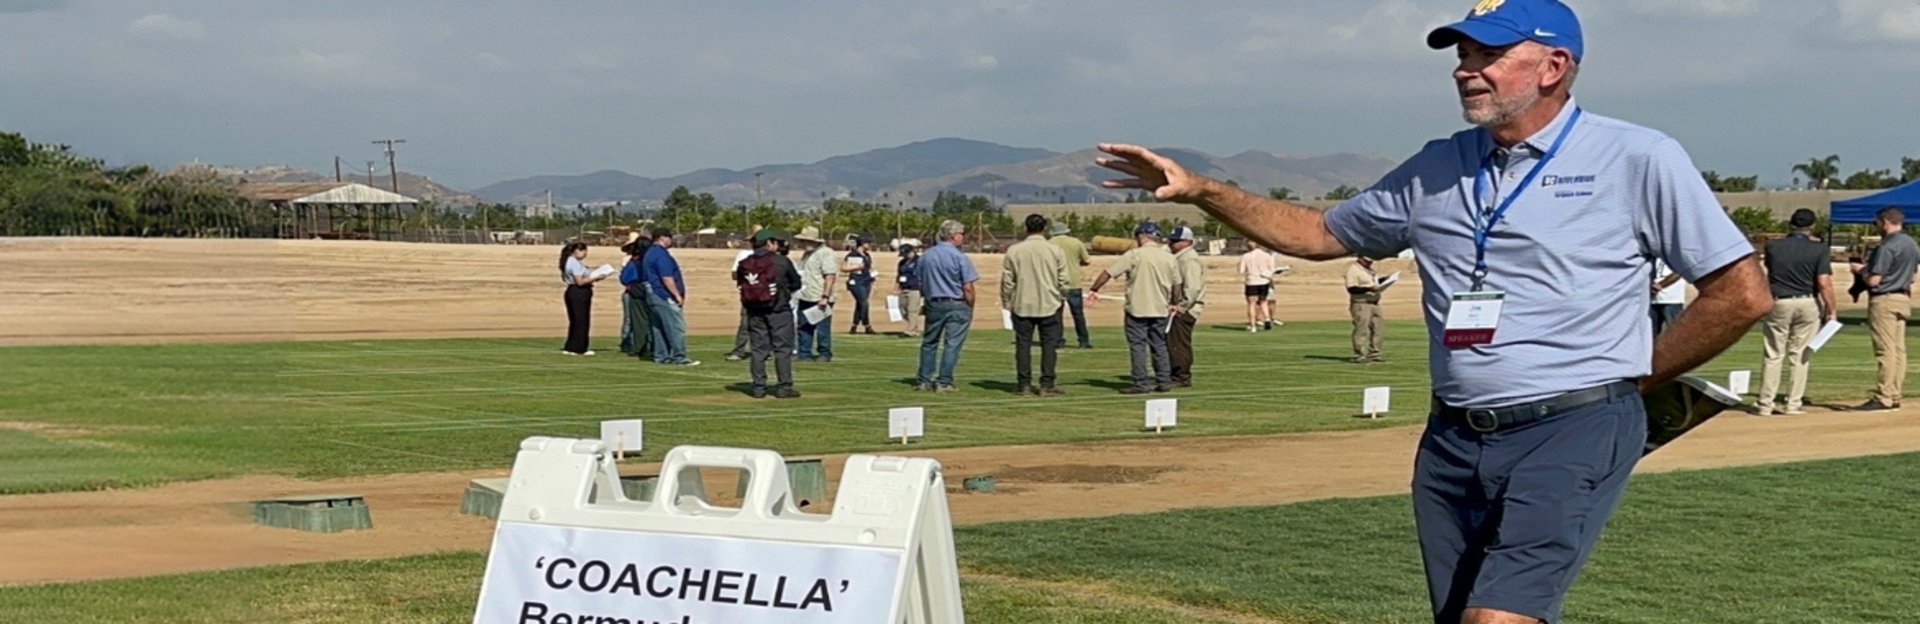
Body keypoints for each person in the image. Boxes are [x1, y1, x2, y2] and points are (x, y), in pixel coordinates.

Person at [1093, 1, 1772, 621]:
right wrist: (1203, 190)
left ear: (1554, 67)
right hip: (1452, 439)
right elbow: (1318, 233)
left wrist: (1632, 381)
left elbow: (1741, 293)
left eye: (1487, 55)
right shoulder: (1436, 166)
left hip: (1572, 426)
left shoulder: (1637, 157)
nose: (1465, 71)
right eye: (1462, 55)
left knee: (1497, 618)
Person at [1756, 209, 1837, 417]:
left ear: (1791, 224)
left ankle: (1766, 403)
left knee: (1774, 354)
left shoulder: (1774, 246)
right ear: (1812, 227)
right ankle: (1793, 403)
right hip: (1807, 300)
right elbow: (1824, 282)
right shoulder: (1819, 249)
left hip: (1779, 300)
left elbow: (1769, 269)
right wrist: (1831, 310)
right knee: (1800, 355)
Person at [1088, 222, 1183, 395]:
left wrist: (1094, 289)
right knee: (1159, 346)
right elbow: (1177, 284)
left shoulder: (1134, 255)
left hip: (1137, 309)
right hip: (1160, 308)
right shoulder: (1169, 257)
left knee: (1138, 347)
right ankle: (1164, 381)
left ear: (1142, 236)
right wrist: (1174, 303)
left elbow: (1108, 272)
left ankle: (1140, 383)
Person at [1855, 206, 1919, 412]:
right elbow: (1912, 275)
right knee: (1899, 349)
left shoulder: (1887, 247)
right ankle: (1894, 393)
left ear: (1885, 221)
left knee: (1885, 349)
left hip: (1884, 298)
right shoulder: (1912, 245)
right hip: (1903, 296)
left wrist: (1861, 271)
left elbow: (1874, 280)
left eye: (1877, 223)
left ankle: (1884, 396)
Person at [1002, 214, 1072, 396]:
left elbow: (1008, 280)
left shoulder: (1014, 250)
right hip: (1050, 303)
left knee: (1023, 345)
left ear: (1026, 228)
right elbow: (1064, 278)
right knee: (1049, 345)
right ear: (1045, 228)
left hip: (1022, 303)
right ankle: (1046, 384)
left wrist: (1006, 300)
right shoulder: (1054, 250)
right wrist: (1062, 296)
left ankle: (1024, 384)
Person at [735, 228, 803, 399]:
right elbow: (796, 283)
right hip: (778, 310)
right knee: (782, 349)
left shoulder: (745, 263)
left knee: (758, 350)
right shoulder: (781, 261)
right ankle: (784, 387)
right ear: (769, 243)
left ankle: (758, 387)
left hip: (754, 311)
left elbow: (741, 284)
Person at [915, 220, 979, 392]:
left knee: (929, 342)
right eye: (963, 234)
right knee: (952, 344)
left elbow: (921, 283)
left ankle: (924, 380)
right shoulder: (960, 257)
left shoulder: (926, 256)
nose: (963, 238)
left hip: (934, 302)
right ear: (955, 236)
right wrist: (971, 305)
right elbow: (968, 286)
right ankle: (944, 381)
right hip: (957, 303)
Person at [642, 228, 699, 366]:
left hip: (652, 293)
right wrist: (677, 295)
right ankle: (679, 356)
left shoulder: (650, 253)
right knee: (675, 326)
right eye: (670, 237)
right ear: (663, 238)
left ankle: (661, 355)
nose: (671, 240)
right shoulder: (661, 255)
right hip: (662, 294)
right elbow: (667, 277)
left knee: (659, 327)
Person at [1167, 226, 1207, 388]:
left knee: (1178, 343)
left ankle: (1181, 376)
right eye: (1171, 240)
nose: (1172, 243)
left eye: (1176, 241)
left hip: (1185, 309)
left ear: (1188, 242)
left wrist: (1181, 307)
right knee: (1172, 342)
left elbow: (1193, 287)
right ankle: (1175, 374)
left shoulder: (1189, 259)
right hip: (1181, 307)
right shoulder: (1179, 257)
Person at [793, 227, 838, 363]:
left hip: (819, 297)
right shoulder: (807, 254)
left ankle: (824, 353)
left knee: (822, 328)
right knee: (804, 326)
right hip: (805, 295)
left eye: (804, 240)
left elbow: (830, 275)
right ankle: (803, 353)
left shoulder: (826, 253)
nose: (802, 243)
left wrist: (825, 297)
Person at [557, 241, 611, 356]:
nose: (585, 254)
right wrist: (596, 277)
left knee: (575, 320)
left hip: (571, 291)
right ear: (576, 251)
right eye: (584, 251)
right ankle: (579, 347)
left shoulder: (568, 261)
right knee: (581, 320)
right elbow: (580, 281)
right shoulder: (574, 263)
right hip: (579, 292)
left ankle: (571, 346)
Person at [1049, 220, 1095, 349]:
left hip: (1056, 283)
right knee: (1078, 314)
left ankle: (1058, 340)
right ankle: (1083, 340)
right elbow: (1087, 260)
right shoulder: (1076, 242)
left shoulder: (1050, 244)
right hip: (1074, 282)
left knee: (1057, 314)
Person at [617, 236, 654, 360]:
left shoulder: (635, 261)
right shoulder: (652, 260)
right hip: (651, 291)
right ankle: (650, 345)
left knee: (638, 321)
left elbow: (625, 278)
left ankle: (639, 347)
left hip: (637, 292)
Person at [1346, 256, 1388, 364]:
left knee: (1379, 329)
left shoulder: (1370, 270)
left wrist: (1385, 281)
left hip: (1374, 303)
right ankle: (1359, 354)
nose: (1370, 262)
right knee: (1362, 329)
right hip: (1361, 303)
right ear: (1360, 258)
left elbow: (1372, 282)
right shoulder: (1353, 270)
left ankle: (1375, 353)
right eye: (1368, 260)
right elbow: (1352, 288)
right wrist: (1369, 288)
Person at [1238, 241, 1279, 332]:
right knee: (1263, 301)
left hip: (1252, 281)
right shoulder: (1267, 255)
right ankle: (1267, 318)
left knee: (1252, 303)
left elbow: (1241, 270)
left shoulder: (1246, 256)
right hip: (1264, 281)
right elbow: (1272, 269)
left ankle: (1253, 326)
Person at [844, 236, 878, 335]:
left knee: (860, 304)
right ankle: (867, 325)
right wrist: (857, 267)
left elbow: (870, 268)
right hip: (856, 282)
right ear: (862, 243)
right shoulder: (853, 254)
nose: (870, 245)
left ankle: (854, 326)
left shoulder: (867, 255)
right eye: (868, 243)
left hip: (866, 281)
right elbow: (844, 268)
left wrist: (874, 280)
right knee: (864, 302)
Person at [1649, 259, 1687, 335]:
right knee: (1651, 334)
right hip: (1652, 300)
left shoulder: (1676, 254)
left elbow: (1679, 273)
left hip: (1672, 300)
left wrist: (1660, 285)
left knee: (1676, 332)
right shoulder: (1652, 255)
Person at [897, 244, 924, 338]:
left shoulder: (920, 261)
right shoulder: (902, 263)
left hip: (915, 289)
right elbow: (899, 275)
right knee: (903, 310)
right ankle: (914, 328)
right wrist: (897, 287)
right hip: (903, 288)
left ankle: (910, 330)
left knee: (912, 310)